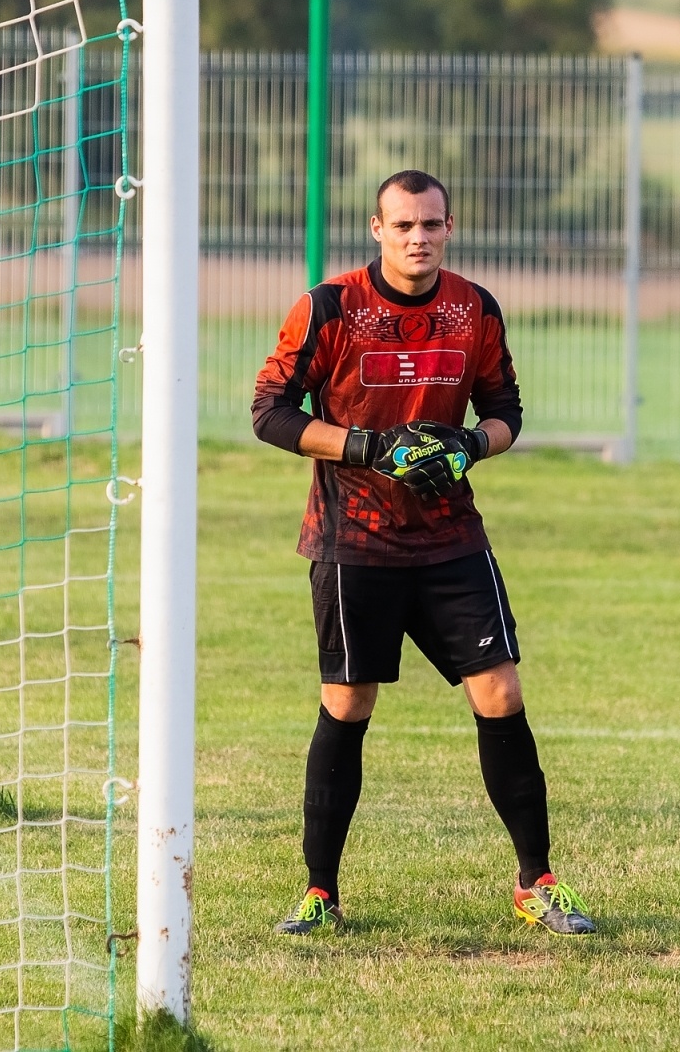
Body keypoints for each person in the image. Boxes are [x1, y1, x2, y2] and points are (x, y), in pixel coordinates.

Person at [250, 169, 596, 937]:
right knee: (349, 702)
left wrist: (471, 445)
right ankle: (319, 893)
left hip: (449, 539)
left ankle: (536, 883)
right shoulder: (331, 307)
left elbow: (506, 410)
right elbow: (270, 413)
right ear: (377, 229)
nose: (418, 237)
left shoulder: (473, 309)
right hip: (353, 540)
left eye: (431, 224)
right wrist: (369, 446)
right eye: (403, 225)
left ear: (449, 227)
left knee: (500, 691)